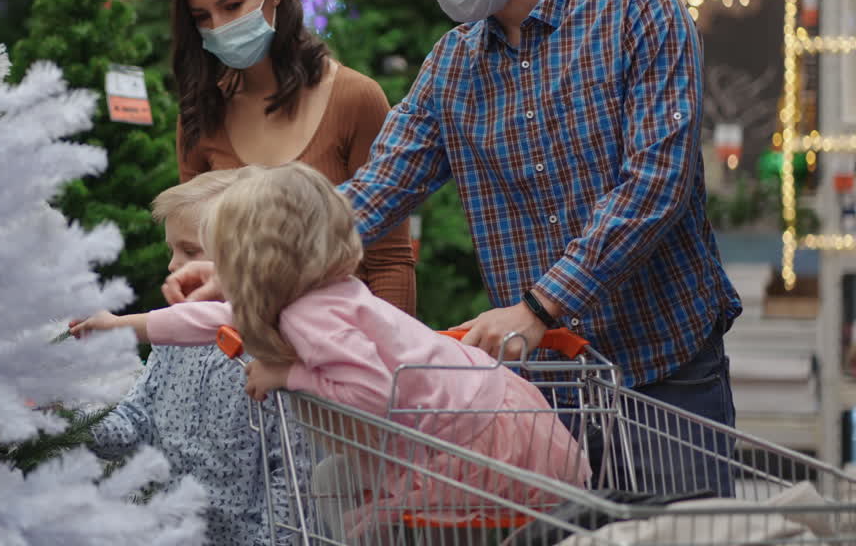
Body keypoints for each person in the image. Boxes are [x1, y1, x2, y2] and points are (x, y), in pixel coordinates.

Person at [161, 0, 740, 497]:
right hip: (542, 395)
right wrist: (239, 263)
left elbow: (654, 187)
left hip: (669, 378)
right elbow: (369, 196)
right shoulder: (452, 69)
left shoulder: (641, 14)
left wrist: (541, 304)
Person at [73, 163, 589, 541]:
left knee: (376, 528)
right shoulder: (308, 291)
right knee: (341, 494)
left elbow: (369, 390)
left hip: (481, 443)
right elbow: (211, 318)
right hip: (468, 419)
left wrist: (286, 374)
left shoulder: (310, 315)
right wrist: (124, 326)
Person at [170, 0, 416, 314]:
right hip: (235, 356)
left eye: (232, 6)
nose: (218, 27)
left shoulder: (355, 98)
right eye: (202, 17)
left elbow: (390, 261)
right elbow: (192, 254)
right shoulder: (202, 115)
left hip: (344, 350)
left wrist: (388, 364)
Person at [84, 170, 304, 546]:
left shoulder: (275, 347)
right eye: (172, 249)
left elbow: (293, 468)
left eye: (189, 251)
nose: (173, 264)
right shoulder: (172, 337)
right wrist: (63, 412)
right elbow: (134, 423)